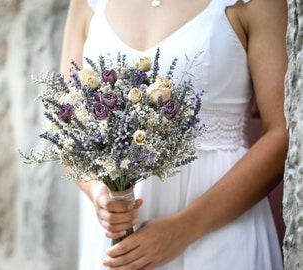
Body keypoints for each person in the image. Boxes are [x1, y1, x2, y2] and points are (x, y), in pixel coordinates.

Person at [60, 0, 288, 269]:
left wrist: (184, 229)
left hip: (219, 225)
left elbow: (283, 133)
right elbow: (66, 124)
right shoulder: (88, 4)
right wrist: (99, 193)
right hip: (118, 234)